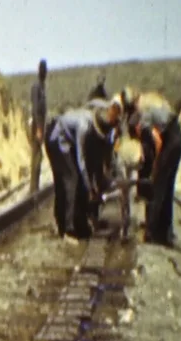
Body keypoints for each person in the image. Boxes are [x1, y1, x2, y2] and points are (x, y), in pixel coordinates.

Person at [44, 98, 123, 245]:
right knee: (70, 179)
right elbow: (81, 161)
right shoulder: (84, 127)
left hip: (67, 141)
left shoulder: (102, 113)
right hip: (57, 139)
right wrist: (89, 187)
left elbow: (98, 161)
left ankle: (77, 223)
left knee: (74, 180)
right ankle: (67, 229)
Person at [127, 105, 181, 246]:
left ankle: (150, 232)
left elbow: (158, 141)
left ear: (137, 128)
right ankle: (164, 233)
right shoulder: (149, 115)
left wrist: (157, 164)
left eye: (137, 135)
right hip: (178, 140)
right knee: (168, 188)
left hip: (170, 142)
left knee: (157, 187)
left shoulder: (144, 121)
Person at [30, 59, 48, 194]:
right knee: (36, 156)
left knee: (38, 156)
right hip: (36, 126)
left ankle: (35, 186)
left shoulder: (42, 87)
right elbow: (36, 109)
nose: (44, 73)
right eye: (43, 70)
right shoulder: (37, 87)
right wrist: (39, 129)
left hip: (40, 125)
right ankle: (33, 188)